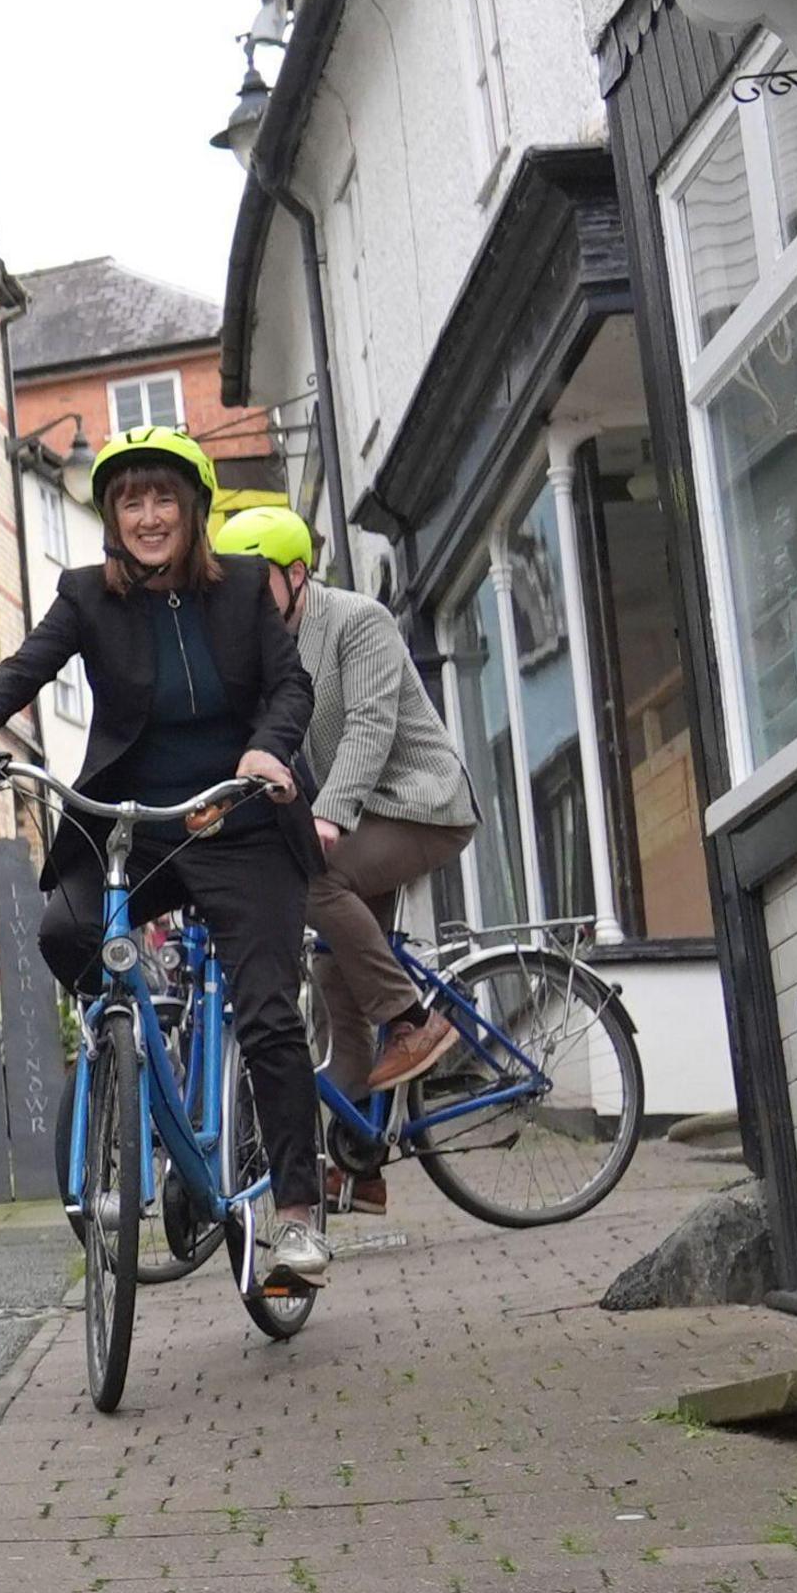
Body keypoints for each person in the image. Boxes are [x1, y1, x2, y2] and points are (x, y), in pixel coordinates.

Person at [0, 426, 333, 1290]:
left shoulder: (242, 594)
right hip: (137, 824)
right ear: (113, 518)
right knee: (66, 931)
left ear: (192, 511)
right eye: (129, 501)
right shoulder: (86, 596)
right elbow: (25, 666)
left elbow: (290, 683)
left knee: (267, 1012)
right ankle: (132, 1040)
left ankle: (296, 1212)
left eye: (162, 499)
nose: (148, 517)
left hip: (239, 820)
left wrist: (266, 751)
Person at [217, 504, 479, 1214]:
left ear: (296, 575)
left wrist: (328, 813)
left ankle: (412, 1019)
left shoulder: (359, 622)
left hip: (418, 804)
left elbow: (369, 724)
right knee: (336, 983)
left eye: (254, 583)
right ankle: (361, 1161)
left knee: (314, 881)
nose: (242, 601)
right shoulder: (259, 650)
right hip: (355, 816)